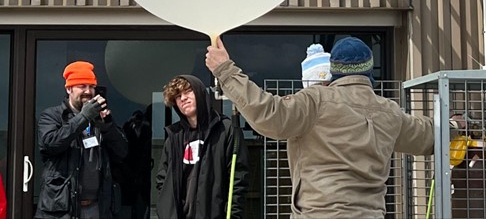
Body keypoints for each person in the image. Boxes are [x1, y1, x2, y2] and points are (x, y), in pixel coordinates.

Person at [205, 36, 435, 218]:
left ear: (333, 69)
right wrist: (455, 124)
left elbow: (268, 113)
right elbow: (427, 137)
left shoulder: (316, 101)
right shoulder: (389, 112)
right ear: (368, 70)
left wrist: (225, 70)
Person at [35, 61, 128, 219]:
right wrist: (83, 117)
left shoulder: (99, 118)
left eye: (91, 87)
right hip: (62, 210)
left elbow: (122, 152)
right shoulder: (52, 116)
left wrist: (107, 127)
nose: (88, 91)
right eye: (82, 86)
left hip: (96, 207)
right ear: (69, 89)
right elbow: (50, 144)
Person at [155, 74, 249, 219]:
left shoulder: (225, 129)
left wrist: (233, 215)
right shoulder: (174, 136)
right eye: (178, 96)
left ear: (199, 93)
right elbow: (162, 180)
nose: (183, 98)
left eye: (187, 92)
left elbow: (238, 179)